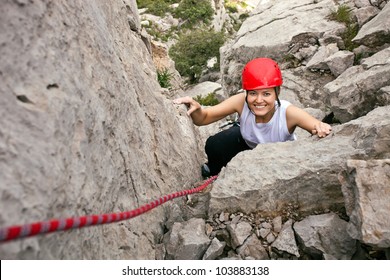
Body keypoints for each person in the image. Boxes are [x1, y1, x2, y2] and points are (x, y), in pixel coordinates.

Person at [173, 57, 332, 177]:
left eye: (266, 94)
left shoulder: (287, 112)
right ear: (246, 93)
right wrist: (196, 108)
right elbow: (204, 118)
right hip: (246, 143)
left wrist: (319, 126)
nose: (259, 100)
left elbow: (314, 124)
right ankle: (215, 171)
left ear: (277, 93)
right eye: (253, 93)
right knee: (215, 144)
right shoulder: (241, 101)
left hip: (277, 157)